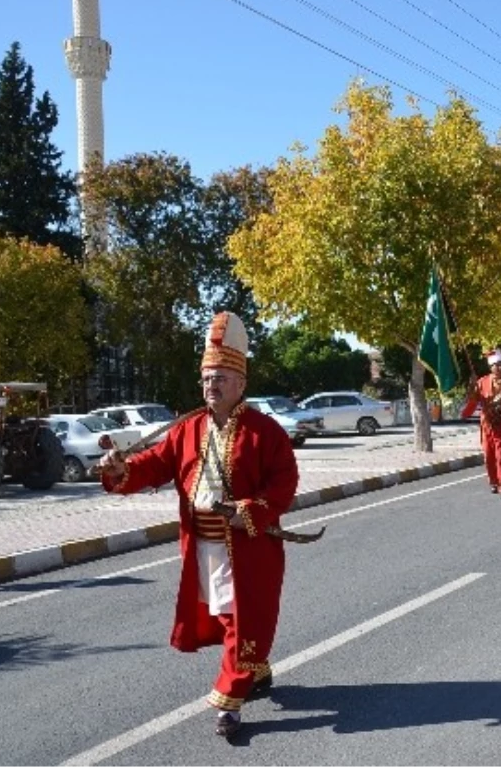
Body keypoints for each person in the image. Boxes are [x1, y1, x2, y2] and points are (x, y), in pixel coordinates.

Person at [97, 312, 300, 738]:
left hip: (249, 548)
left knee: (240, 621)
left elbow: (284, 485)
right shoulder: (185, 429)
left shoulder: (266, 432)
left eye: (221, 377)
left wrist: (244, 509)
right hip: (202, 547)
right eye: (207, 378)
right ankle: (256, 669)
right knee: (230, 619)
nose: (212, 385)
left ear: (241, 384)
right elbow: (150, 466)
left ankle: (230, 700)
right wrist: (120, 470)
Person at [462, 349, 501, 497]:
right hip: (487, 425)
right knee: (489, 456)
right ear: (490, 367)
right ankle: (493, 481)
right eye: (496, 365)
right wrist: (472, 388)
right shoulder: (482, 382)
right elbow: (473, 401)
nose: (499, 367)